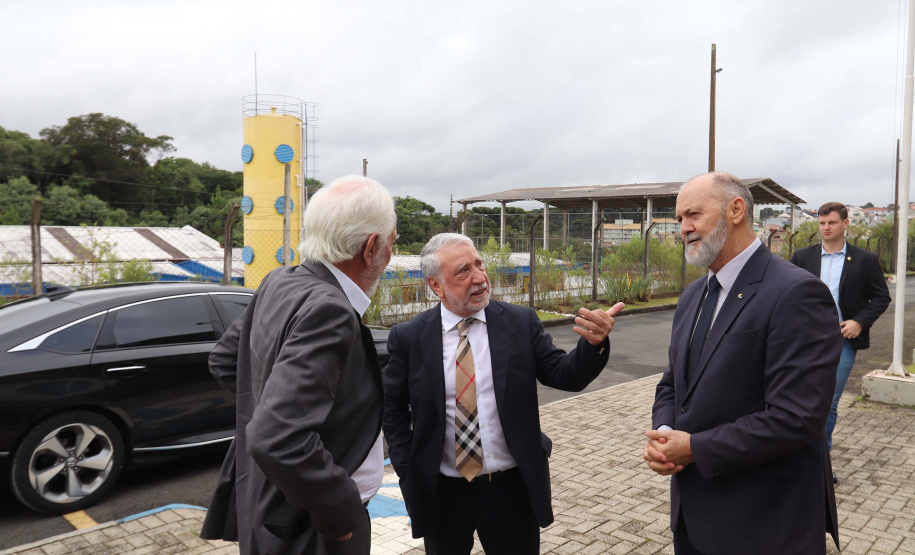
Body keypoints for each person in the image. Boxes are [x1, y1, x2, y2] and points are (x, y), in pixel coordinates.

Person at [383, 233, 625, 555]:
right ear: (436, 285)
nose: (479, 277)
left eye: (479, 264)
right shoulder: (410, 337)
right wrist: (406, 467)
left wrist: (593, 345)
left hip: (510, 489)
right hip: (442, 492)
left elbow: (564, 374)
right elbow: (392, 405)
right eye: (463, 271)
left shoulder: (519, 322)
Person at [643, 172, 841, 555]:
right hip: (692, 519)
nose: (683, 228)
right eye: (680, 218)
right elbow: (672, 384)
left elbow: (797, 416)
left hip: (763, 525)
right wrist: (664, 433)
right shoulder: (692, 295)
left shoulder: (796, 292)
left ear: (735, 210)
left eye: (693, 215)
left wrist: (695, 448)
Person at [200, 175, 397, 555]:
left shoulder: (281, 279)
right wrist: (341, 515)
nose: (390, 254)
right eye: (391, 242)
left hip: (269, 511)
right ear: (371, 247)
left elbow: (224, 361)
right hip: (311, 528)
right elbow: (275, 437)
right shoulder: (330, 310)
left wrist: (275, 408)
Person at [790, 202, 891, 481]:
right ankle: (796, 456)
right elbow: (786, 293)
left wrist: (859, 321)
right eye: (822, 223)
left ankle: (819, 464)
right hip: (804, 340)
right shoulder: (802, 257)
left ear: (845, 224)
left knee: (829, 402)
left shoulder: (865, 260)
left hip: (842, 341)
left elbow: (881, 297)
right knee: (799, 398)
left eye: (832, 223)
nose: (826, 228)